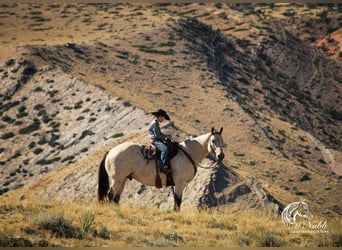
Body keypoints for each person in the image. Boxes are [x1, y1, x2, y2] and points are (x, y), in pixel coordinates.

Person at [148, 109, 171, 173]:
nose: (163, 120)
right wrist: (166, 136)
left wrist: (165, 137)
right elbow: (157, 134)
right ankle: (161, 166)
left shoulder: (156, 123)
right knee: (165, 149)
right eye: (163, 118)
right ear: (160, 116)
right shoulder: (155, 123)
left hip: (156, 138)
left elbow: (159, 134)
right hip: (155, 139)